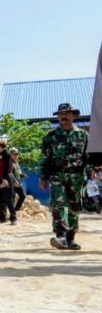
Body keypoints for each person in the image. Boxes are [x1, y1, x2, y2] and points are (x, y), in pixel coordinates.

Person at [39, 103, 89, 249]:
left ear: (73, 116)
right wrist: (43, 177)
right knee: (59, 204)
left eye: (67, 113)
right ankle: (60, 236)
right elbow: (44, 158)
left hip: (76, 176)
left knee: (74, 206)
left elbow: (88, 156)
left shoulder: (83, 135)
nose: (63, 116)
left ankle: (70, 238)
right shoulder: (51, 137)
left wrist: (93, 170)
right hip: (57, 175)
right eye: (61, 114)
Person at [0, 138, 17, 225]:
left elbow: (8, 167)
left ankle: (13, 218)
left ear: (0, 146)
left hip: (6, 178)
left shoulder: (6, 154)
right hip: (0, 179)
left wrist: (4, 179)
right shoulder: (0, 155)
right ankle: (2, 218)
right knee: (1, 199)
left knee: (8, 199)